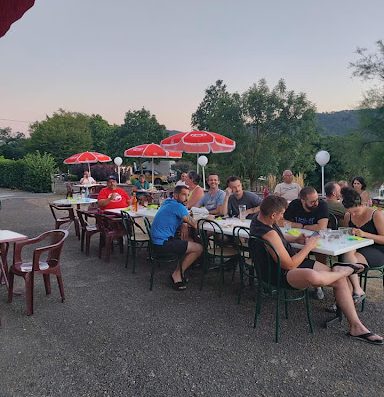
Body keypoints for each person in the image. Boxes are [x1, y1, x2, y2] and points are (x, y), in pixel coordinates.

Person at [249, 195, 382, 345]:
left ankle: (356, 326)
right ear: (273, 215)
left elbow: (278, 240)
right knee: (315, 277)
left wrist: (295, 239)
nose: (283, 216)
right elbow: (289, 265)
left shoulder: (259, 219)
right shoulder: (269, 233)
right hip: (278, 274)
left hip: (286, 262)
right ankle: (345, 270)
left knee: (337, 279)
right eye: (281, 214)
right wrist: (309, 246)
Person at [150, 185, 203, 291]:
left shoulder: (167, 202)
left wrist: (183, 223)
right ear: (175, 195)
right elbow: (195, 224)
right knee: (199, 248)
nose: (186, 198)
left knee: (190, 240)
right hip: (163, 244)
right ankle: (177, 274)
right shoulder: (178, 206)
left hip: (154, 243)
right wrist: (209, 218)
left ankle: (187, 268)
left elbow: (182, 218)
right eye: (183, 195)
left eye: (188, 195)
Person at [284, 186, 329, 300]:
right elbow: (282, 221)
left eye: (317, 200)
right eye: (312, 201)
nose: (316, 203)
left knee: (321, 252)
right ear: (302, 200)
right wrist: (303, 227)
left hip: (320, 238)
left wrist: (302, 225)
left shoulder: (322, 205)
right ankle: (296, 279)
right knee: (291, 248)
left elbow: (322, 227)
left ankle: (318, 285)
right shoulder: (295, 204)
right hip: (297, 237)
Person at [341, 187, 384, 303]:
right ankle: (355, 292)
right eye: (350, 212)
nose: (353, 214)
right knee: (345, 263)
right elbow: (346, 234)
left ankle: (342, 302)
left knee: (345, 267)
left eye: (356, 211)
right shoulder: (348, 216)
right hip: (354, 249)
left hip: (376, 249)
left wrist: (365, 234)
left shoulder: (376, 214)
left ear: (361, 204)